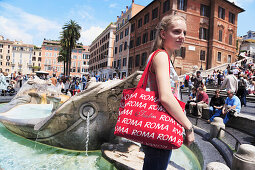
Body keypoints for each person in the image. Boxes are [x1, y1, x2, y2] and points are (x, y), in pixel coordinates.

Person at [142, 14, 194, 170]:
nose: (182, 36)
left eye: (184, 32)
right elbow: (165, 97)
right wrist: (188, 126)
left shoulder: (160, 56)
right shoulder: (162, 56)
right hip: (159, 126)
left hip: (157, 125)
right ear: (163, 34)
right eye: (176, 32)